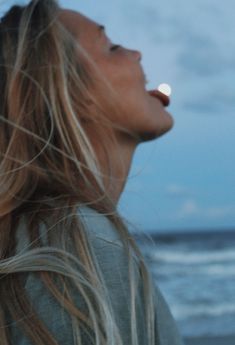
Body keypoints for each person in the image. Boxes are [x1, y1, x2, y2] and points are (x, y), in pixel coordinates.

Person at [0, 1, 184, 344]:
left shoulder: (57, 236)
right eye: (112, 48)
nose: (137, 53)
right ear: (73, 93)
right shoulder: (75, 246)